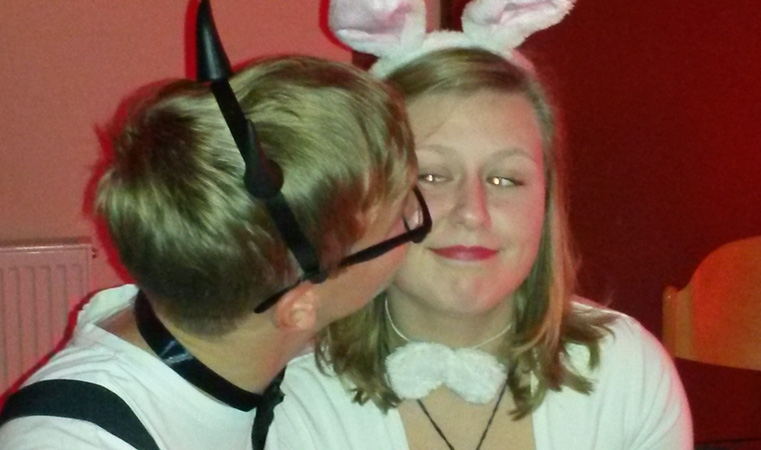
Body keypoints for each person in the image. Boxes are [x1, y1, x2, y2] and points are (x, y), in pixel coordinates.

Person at [0, 1, 430, 449]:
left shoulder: (242, 359)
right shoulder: (78, 440)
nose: (419, 222)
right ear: (298, 307)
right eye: (402, 220)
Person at [267, 0, 692, 449]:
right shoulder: (293, 396)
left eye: (505, 179)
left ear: (546, 202)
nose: (473, 212)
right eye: (432, 176)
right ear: (366, 196)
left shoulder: (624, 373)